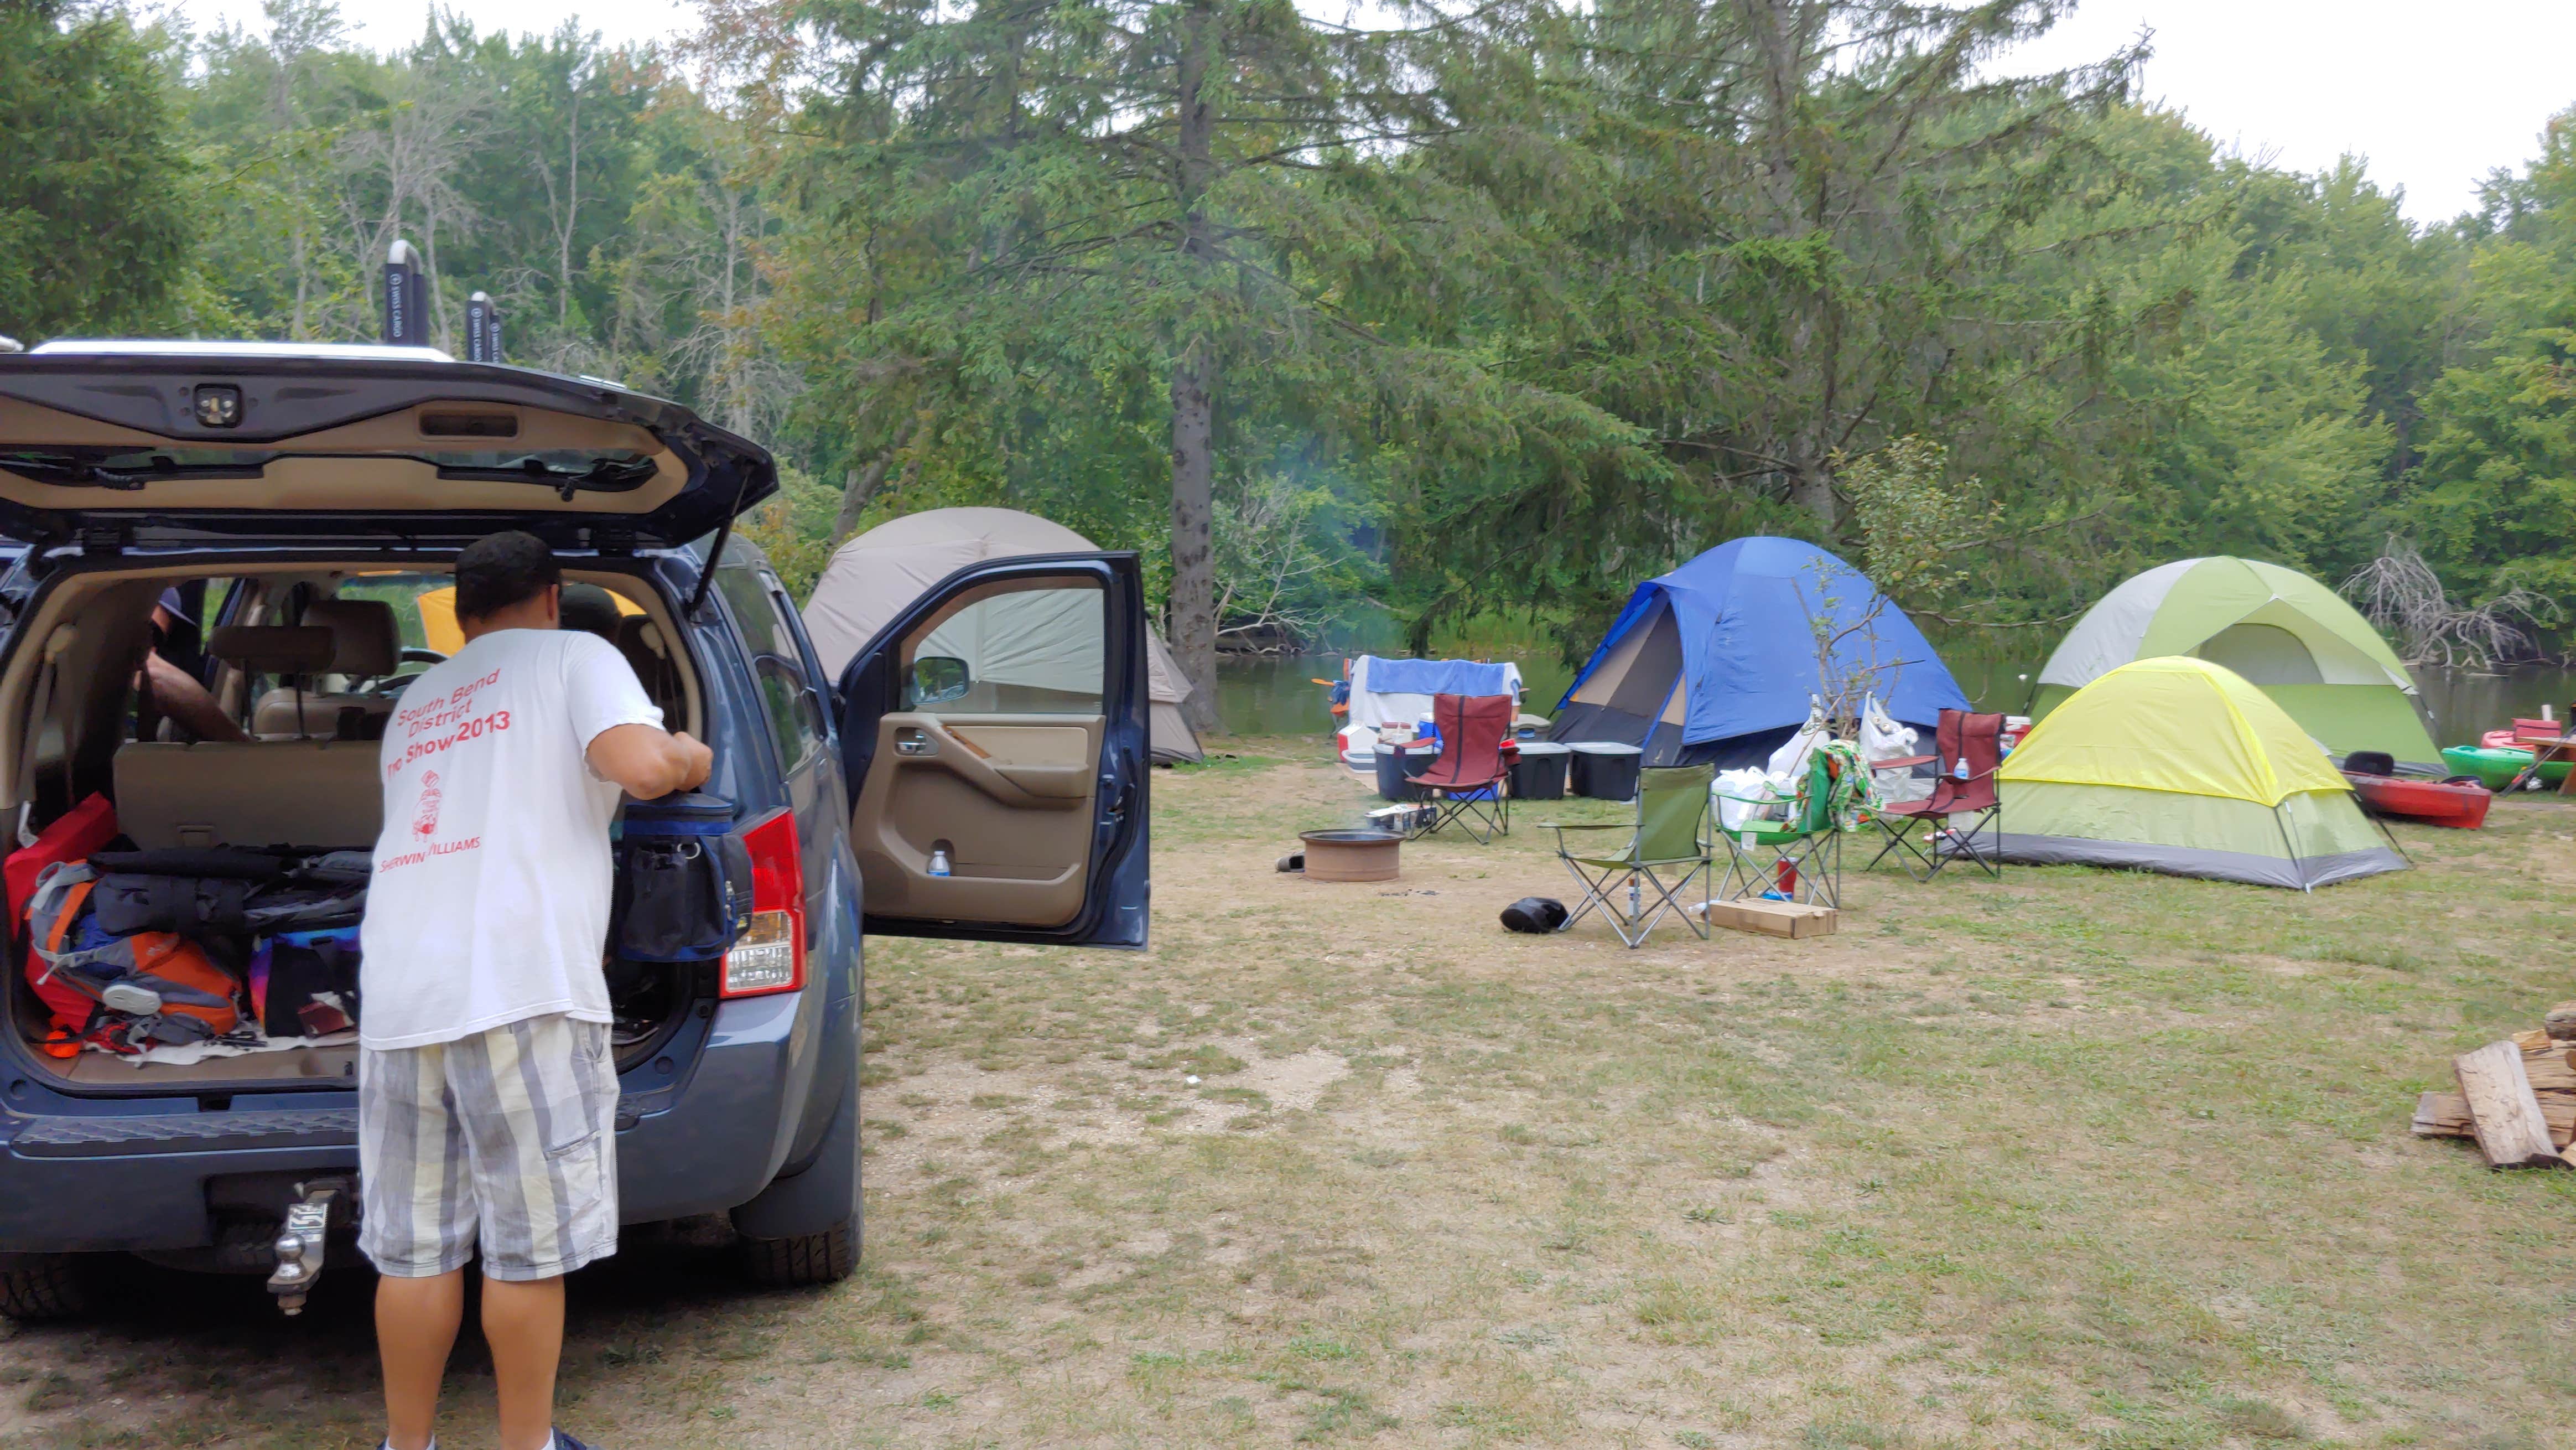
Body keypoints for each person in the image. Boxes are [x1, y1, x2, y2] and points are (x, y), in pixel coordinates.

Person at [356, 532, 711, 1450]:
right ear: (552, 598)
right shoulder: (576, 655)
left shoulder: (418, 699)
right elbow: (638, 767)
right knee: (528, 1247)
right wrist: (687, 755)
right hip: (521, 988)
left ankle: (408, 1445)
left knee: (415, 1248)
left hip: (400, 994)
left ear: (463, 613)